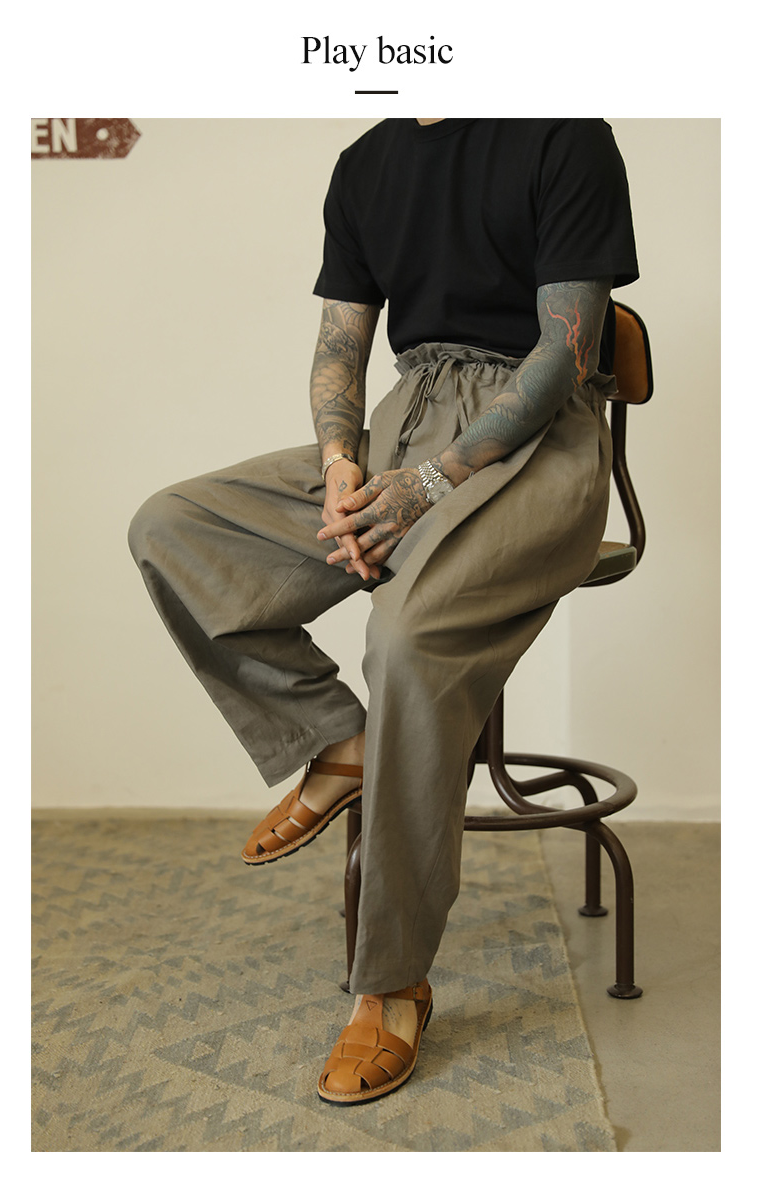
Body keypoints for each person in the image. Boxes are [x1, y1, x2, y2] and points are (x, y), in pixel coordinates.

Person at [128, 118, 639, 1106]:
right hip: (405, 420)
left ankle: (391, 982)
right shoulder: (366, 163)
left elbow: (568, 350)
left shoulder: (563, 134)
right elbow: (339, 346)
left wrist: (437, 482)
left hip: (540, 443)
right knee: (175, 526)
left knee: (404, 637)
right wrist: (340, 466)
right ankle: (338, 741)